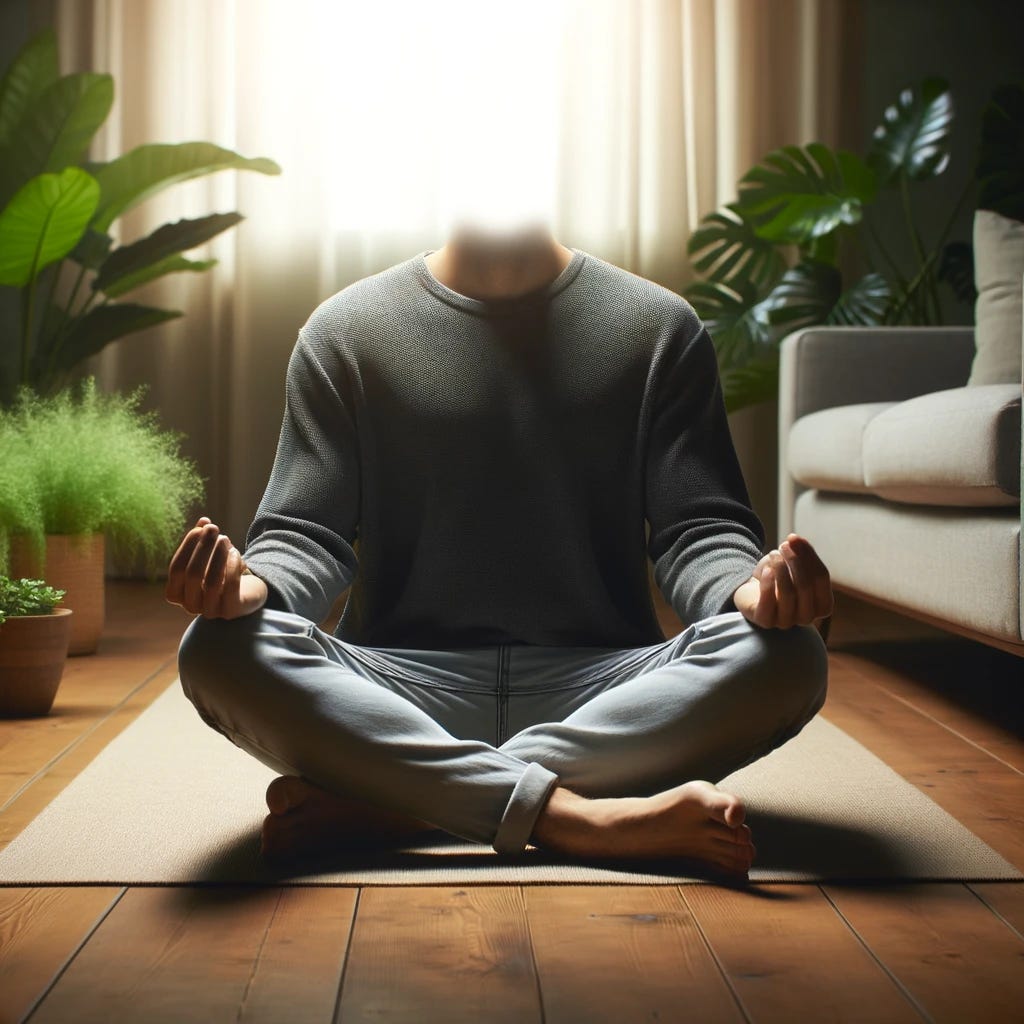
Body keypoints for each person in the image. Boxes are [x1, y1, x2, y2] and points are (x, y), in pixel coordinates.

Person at [169, 213, 833, 878]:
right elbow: (303, 531)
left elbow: (700, 528)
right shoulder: (344, 330)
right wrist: (250, 587)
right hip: (396, 692)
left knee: (790, 653)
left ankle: (403, 806)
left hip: (605, 689)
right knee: (217, 647)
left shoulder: (659, 325)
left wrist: (750, 590)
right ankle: (581, 819)